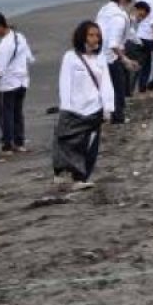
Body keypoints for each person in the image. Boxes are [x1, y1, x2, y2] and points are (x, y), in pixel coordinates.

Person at [52, 21, 114, 190]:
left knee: (90, 145)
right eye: (91, 35)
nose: (95, 39)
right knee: (69, 143)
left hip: (94, 109)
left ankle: (82, 177)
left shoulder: (100, 59)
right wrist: (65, 107)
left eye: (97, 35)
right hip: (74, 109)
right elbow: (65, 83)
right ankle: (64, 175)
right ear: (82, 36)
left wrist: (108, 108)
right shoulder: (70, 57)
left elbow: (106, 84)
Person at [0, 11, 35, 155]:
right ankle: (19, 143)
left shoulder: (3, 46)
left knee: (6, 114)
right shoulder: (20, 37)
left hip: (8, 84)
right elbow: (30, 58)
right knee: (18, 112)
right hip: (22, 81)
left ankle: (7, 145)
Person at [97, 0, 140, 124]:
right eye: (127, 3)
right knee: (118, 87)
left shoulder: (104, 11)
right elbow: (113, 43)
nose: (126, 7)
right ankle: (118, 116)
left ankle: (103, 114)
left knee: (102, 86)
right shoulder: (119, 17)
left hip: (98, 54)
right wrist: (125, 59)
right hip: (111, 56)